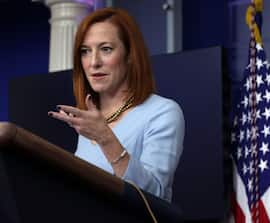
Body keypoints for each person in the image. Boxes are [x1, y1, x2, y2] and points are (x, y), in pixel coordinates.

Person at [48, 7, 184, 202]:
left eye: (106, 49)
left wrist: (105, 138)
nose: (93, 62)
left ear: (130, 56)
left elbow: (154, 197)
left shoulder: (163, 112)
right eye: (86, 51)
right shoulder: (89, 119)